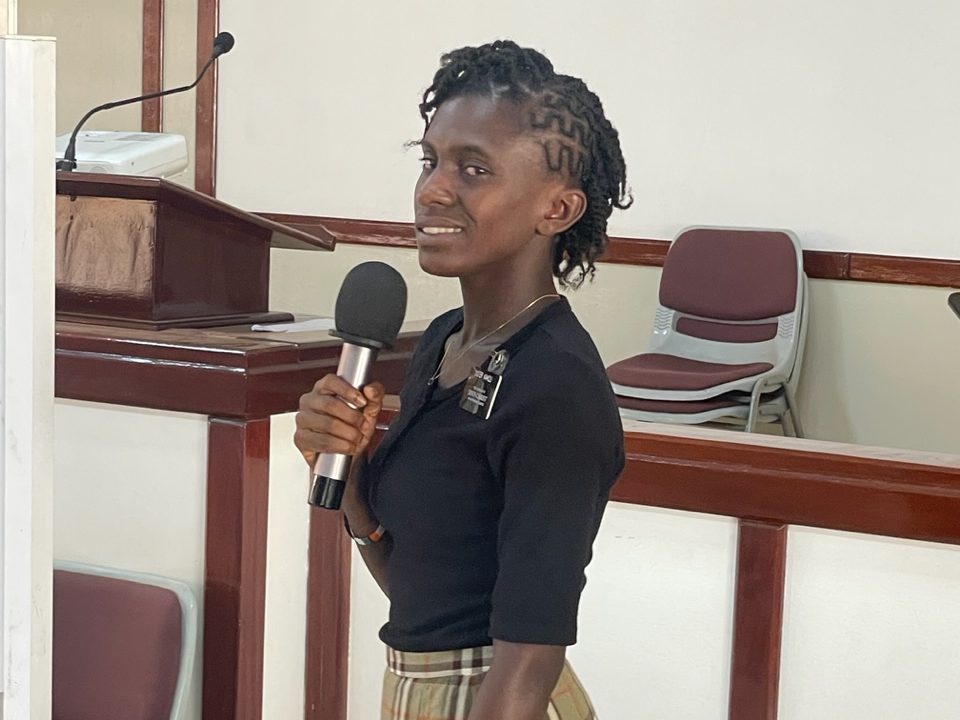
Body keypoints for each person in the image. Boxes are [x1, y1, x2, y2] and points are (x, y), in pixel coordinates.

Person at [294, 39, 631, 720]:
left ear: (557, 210)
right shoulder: (446, 342)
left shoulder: (555, 385)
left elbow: (530, 654)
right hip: (423, 688)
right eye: (431, 161)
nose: (433, 189)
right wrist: (347, 473)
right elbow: (423, 598)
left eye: (473, 169)